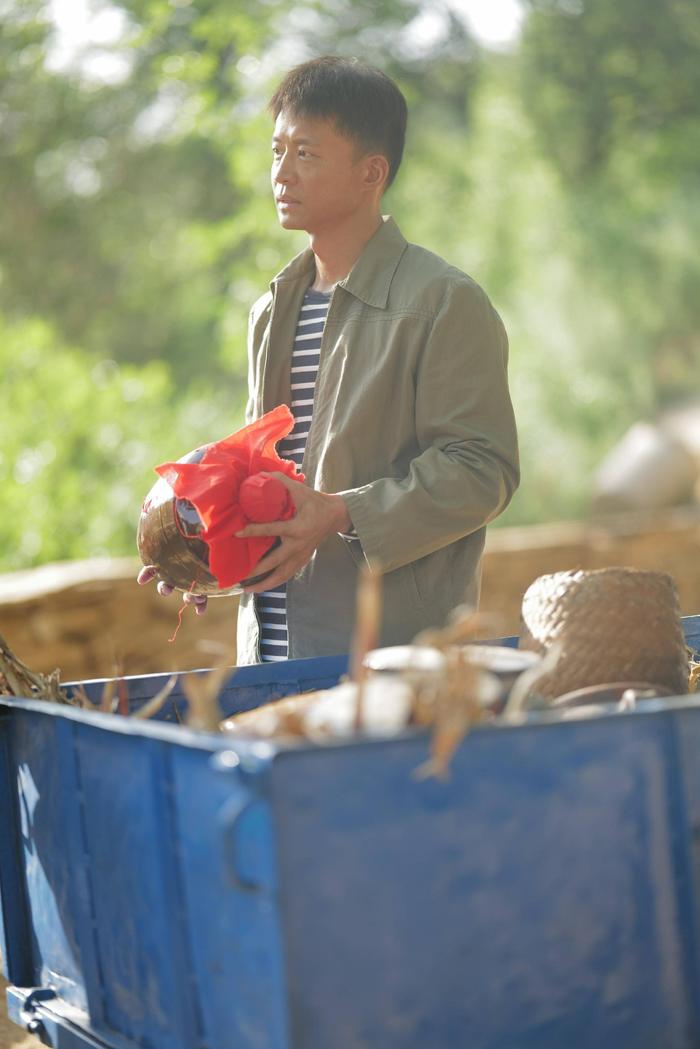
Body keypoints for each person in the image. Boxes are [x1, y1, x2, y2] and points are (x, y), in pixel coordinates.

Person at [139, 56, 519, 664]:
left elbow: (482, 470)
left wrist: (342, 512)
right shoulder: (271, 308)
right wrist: (199, 546)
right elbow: (263, 472)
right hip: (267, 653)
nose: (281, 175)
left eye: (306, 154)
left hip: (392, 658)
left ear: (372, 172)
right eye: (276, 151)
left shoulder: (443, 301)